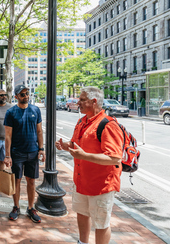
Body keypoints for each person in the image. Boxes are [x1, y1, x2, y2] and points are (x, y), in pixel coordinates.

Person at [55, 87, 123, 244]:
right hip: (81, 181)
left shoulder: (108, 124)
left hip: (101, 185)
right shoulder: (82, 121)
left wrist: (84, 156)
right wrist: (63, 145)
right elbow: (74, 144)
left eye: (82, 99)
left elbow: (114, 158)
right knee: (82, 213)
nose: (78, 102)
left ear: (94, 102)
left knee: (101, 223)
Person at [3, 84, 44, 223]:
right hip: (17, 152)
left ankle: (31, 208)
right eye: (22, 94)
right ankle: (16, 206)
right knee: (17, 180)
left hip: (32, 152)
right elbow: (7, 136)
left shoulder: (35, 110)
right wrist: (7, 155)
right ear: (16, 97)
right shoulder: (11, 113)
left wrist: (41, 149)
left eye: (27, 93)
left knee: (31, 181)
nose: (25, 96)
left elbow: (39, 131)